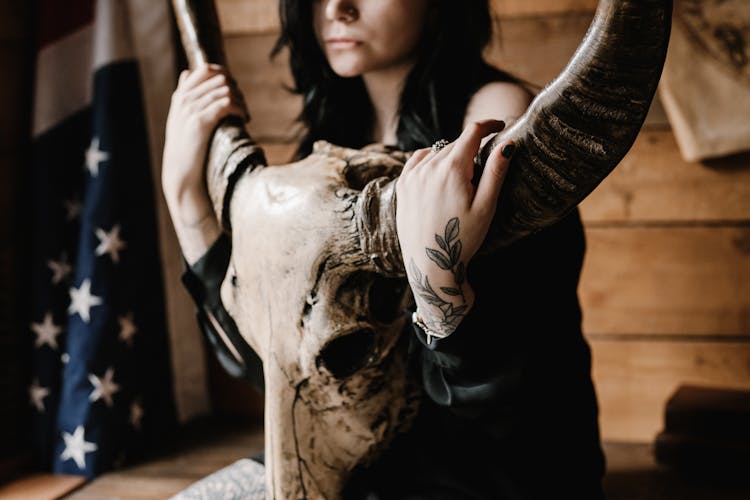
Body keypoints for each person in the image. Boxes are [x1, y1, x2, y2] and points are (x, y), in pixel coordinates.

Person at [162, 1, 606, 498]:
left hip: (491, 476)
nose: (337, 9)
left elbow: (506, 392)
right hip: (359, 467)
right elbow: (285, 374)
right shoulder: (331, 142)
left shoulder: (492, 120)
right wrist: (185, 200)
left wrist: (438, 279)